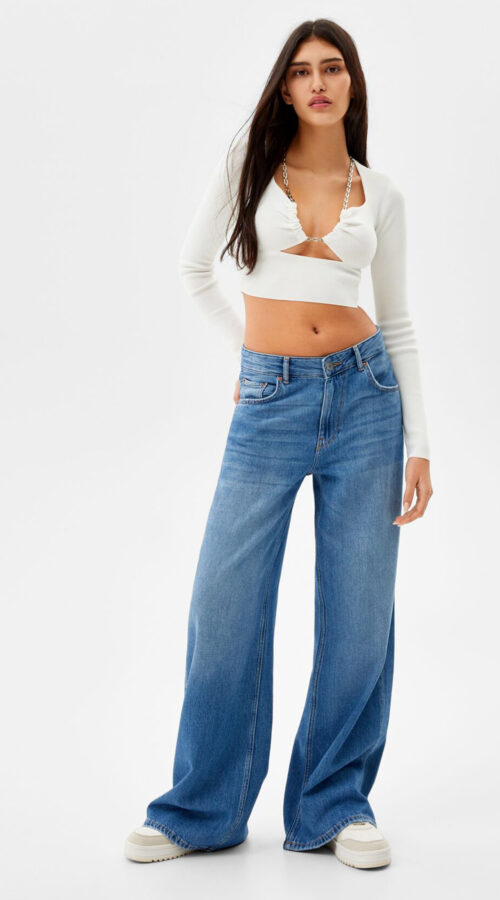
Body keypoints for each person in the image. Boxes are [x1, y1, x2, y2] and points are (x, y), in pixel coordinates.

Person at [124, 18, 433, 870]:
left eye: (331, 68)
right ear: (286, 88)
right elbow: (195, 270)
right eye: (301, 72)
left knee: (360, 614)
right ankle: (202, 809)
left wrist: (421, 441)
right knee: (223, 603)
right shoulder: (249, 165)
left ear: (352, 83)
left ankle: (335, 805)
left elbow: (399, 322)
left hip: (367, 398)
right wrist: (251, 357)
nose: (317, 83)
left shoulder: (383, 194)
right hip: (269, 401)